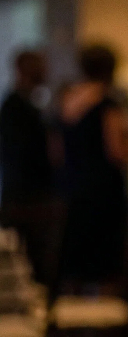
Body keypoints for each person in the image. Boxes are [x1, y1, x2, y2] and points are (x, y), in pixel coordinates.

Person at [58, 45, 128, 289]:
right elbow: (117, 152)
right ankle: (103, 306)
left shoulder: (68, 100)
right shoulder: (107, 104)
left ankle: (74, 303)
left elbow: (57, 151)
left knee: (76, 258)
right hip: (103, 191)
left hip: (73, 187)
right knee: (103, 262)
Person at [0, 50, 58, 286]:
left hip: (27, 195)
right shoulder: (15, 107)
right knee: (28, 264)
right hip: (26, 197)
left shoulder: (25, 104)